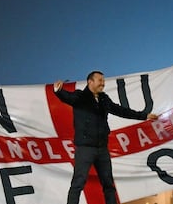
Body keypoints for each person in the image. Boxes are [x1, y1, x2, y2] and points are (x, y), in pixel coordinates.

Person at [53, 71, 158, 204]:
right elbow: (66, 97)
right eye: (100, 80)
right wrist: (58, 90)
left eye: (103, 80)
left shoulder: (104, 99)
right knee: (78, 183)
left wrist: (144, 116)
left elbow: (121, 111)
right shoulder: (80, 97)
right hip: (85, 149)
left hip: (102, 149)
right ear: (90, 82)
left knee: (108, 184)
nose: (103, 83)